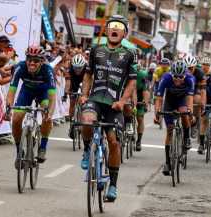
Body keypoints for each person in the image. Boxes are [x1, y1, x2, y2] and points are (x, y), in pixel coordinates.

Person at [79, 15, 137, 202]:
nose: (115, 29)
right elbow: (88, 75)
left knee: (113, 142)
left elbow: (131, 82)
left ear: (124, 33)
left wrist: (122, 101)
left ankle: (113, 184)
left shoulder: (129, 54)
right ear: (106, 30)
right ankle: (88, 149)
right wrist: (84, 94)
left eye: (119, 27)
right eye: (112, 26)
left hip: (114, 104)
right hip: (95, 98)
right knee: (86, 120)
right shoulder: (96, 49)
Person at [5, 46, 56, 167]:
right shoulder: (20, 67)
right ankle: (19, 151)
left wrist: (49, 113)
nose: (32, 63)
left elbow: (52, 98)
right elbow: (11, 91)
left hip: (43, 93)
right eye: (29, 59)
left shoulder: (48, 70)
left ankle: (42, 147)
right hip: (26, 91)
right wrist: (8, 109)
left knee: (46, 117)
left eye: (36, 60)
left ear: (42, 61)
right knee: (16, 119)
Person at [155, 60, 194, 176]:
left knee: (185, 115)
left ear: (185, 75)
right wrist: (157, 112)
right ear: (171, 74)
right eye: (175, 77)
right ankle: (167, 162)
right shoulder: (166, 78)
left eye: (180, 77)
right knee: (170, 130)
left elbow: (190, 98)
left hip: (182, 100)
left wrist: (190, 110)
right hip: (170, 101)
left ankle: (186, 138)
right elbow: (159, 97)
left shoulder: (189, 79)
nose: (178, 79)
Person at [63, 54, 88, 138]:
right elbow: (68, 82)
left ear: (83, 65)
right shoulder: (70, 69)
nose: (77, 70)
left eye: (79, 68)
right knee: (72, 103)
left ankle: (81, 120)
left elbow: (87, 81)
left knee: (82, 100)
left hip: (84, 82)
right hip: (74, 83)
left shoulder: (87, 68)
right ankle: (72, 123)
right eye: (75, 68)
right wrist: (65, 94)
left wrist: (86, 93)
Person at [184, 55, 206, 138]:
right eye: (187, 68)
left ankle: (195, 120)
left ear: (195, 67)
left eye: (191, 68)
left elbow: (203, 90)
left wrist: (203, 104)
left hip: (195, 89)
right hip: (184, 89)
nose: (189, 71)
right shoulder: (181, 71)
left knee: (197, 100)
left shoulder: (199, 73)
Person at [135, 64, 150, 151]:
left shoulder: (142, 75)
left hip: (140, 93)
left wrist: (145, 103)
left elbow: (145, 91)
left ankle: (139, 141)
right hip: (128, 93)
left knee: (140, 118)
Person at [152, 58, 170, 124]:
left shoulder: (170, 70)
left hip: (168, 84)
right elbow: (153, 80)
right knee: (157, 99)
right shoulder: (157, 70)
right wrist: (152, 87)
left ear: (168, 65)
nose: (164, 65)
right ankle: (156, 115)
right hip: (159, 83)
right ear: (161, 64)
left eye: (166, 64)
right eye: (163, 64)